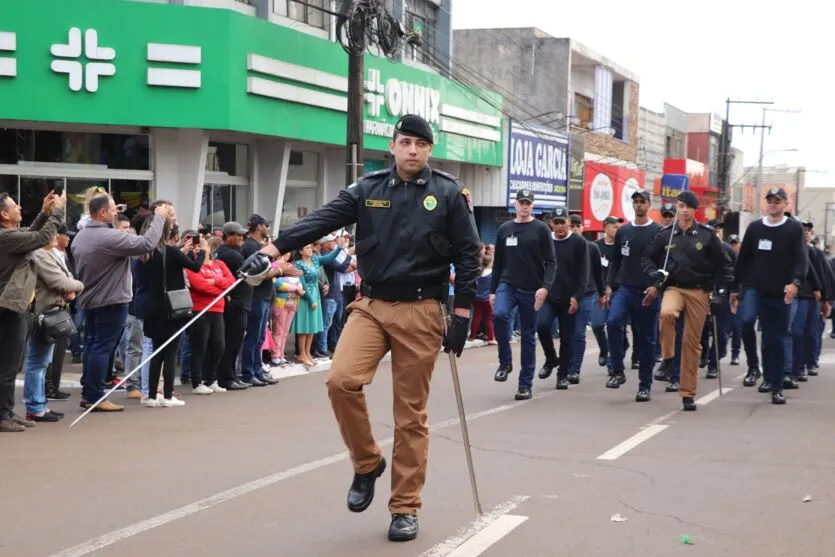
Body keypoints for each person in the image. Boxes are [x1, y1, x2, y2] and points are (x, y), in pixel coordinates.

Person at [239, 114, 480, 542]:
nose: (411, 150)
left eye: (419, 144)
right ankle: (367, 462)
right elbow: (321, 221)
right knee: (341, 381)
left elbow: (467, 256)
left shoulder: (447, 194)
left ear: (429, 149)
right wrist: (271, 250)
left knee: (410, 416)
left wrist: (461, 315)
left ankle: (405, 507)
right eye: (404, 142)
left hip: (422, 309)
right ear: (392, 146)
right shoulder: (367, 190)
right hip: (370, 305)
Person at [72, 193, 170, 412]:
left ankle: (90, 393)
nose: (117, 212)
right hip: (111, 300)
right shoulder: (108, 237)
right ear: (102, 213)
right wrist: (159, 218)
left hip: (90, 298)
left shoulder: (81, 236)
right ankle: (96, 396)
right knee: (102, 347)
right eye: (113, 209)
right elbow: (146, 243)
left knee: (92, 345)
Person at [642, 191, 733, 411]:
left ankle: (688, 393)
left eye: (687, 207)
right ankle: (668, 357)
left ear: (694, 210)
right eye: (680, 206)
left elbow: (725, 266)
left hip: (699, 291)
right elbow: (647, 258)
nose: (683, 210)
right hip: (674, 287)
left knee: (692, 345)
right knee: (666, 314)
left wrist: (720, 292)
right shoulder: (666, 235)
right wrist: (656, 274)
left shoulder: (707, 236)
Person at [731, 187, 808, 404]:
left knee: (775, 338)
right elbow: (743, 259)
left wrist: (795, 283)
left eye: (777, 201)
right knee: (746, 322)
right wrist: (735, 288)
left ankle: (775, 384)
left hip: (780, 291)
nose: (773, 204)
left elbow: (802, 260)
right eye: (770, 200)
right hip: (755, 287)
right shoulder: (755, 228)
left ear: (786, 204)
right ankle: (754, 367)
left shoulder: (794, 229)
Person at [0, 190, 66, 432]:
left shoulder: (10, 235)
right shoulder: (5, 237)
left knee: (11, 362)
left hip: (13, 306)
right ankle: (2, 415)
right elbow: (41, 238)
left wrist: (44, 212)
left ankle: (7, 411)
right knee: (7, 365)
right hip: (8, 309)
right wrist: (57, 211)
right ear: (4, 214)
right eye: (15, 205)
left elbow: (30, 235)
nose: (19, 208)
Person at [490, 189, 557, 398]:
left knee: (528, 335)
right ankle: (505, 362)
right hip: (507, 284)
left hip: (531, 288)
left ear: (533, 205)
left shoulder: (541, 229)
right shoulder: (504, 229)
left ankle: (525, 384)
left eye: (528, 202)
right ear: (515, 204)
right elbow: (498, 262)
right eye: (521, 202)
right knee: (499, 314)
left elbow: (551, 262)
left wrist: (545, 288)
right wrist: (492, 290)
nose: (524, 206)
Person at [139, 216, 207, 407]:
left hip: (152, 306)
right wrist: (201, 251)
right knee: (170, 352)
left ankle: (152, 395)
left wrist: (181, 250)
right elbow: (195, 267)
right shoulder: (170, 251)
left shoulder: (145, 252)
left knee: (156, 352)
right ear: (167, 233)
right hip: (171, 307)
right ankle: (168, 395)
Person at [604, 189, 662, 401]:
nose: (638, 205)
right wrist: (609, 285)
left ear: (649, 205)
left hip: (648, 292)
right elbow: (616, 262)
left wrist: (657, 286)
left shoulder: (659, 232)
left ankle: (644, 385)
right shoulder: (623, 231)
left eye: (642, 202)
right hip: (625, 288)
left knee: (647, 339)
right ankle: (617, 371)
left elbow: (665, 265)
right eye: (635, 201)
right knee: (612, 322)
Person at [23, 232, 84, 422]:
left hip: (49, 310)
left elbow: (64, 279)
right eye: (51, 231)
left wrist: (70, 289)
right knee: (37, 362)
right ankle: (35, 406)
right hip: (43, 313)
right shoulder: (39, 254)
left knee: (42, 362)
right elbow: (59, 281)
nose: (56, 236)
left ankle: (39, 404)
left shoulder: (48, 253)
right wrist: (77, 286)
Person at [536, 207, 587, 390]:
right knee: (541, 325)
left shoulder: (579, 243)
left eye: (562, 222)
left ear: (568, 222)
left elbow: (583, 273)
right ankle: (551, 358)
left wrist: (577, 297)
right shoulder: (545, 241)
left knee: (567, 338)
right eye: (556, 222)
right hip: (549, 296)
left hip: (569, 298)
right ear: (551, 224)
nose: (559, 226)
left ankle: (562, 375)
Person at [186, 236, 236, 395]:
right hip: (200, 309)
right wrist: (222, 292)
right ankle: (197, 381)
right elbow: (199, 285)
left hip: (218, 310)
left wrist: (214, 282)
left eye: (202, 245)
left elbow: (232, 281)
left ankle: (211, 379)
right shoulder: (193, 266)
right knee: (200, 346)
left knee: (219, 346)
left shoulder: (219, 264)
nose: (199, 248)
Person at [240, 214, 281, 386]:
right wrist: (279, 271)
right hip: (256, 297)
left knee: (259, 338)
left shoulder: (258, 246)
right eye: (266, 225)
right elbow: (254, 275)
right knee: (253, 336)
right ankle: (249, 373)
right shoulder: (251, 247)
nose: (268, 228)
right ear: (258, 227)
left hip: (264, 296)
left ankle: (257, 370)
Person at [214, 221, 254, 391]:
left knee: (234, 342)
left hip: (238, 302)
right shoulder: (230, 254)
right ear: (227, 236)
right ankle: (226, 378)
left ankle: (230, 375)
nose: (240, 238)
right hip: (235, 303)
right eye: (236, 235)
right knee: (232, 342)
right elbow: (251, 274)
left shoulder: (230, 252)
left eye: (241, 235)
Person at [292, 241, 343, 367]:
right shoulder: (298, 264)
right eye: (307, 247)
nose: (310, 249)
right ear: (300, 251)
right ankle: (302, 354)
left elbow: (328, 258)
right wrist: (310, 300)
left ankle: (308, 353)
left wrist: (339, 249)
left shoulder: (315, 260)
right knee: (304, 327)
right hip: (306, 296)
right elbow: (302, 283)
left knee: (312, 327)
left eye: (310, 247)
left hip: (316, 293)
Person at [567, 214, 604, 382]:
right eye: (571, 225)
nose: (574, 229)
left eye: (577, 226)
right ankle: (564, 365)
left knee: (578, 332)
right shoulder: (560, 246)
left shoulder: (592, 248)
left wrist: (602, 293)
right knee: (567, 332)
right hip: (564, 296)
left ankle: (574, 369)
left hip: (587, 295)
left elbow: (598, 273)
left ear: (582, 228)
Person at [591, 216, 623, 368]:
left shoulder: (623, 247)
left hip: (619, 291)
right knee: (597, 325)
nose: (617, 229)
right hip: (599, 291)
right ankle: (604, 350)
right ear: (605, 228)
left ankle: (613, 363)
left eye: (618, 227)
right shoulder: (595, 247)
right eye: (614, 226)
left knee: (614, 324)